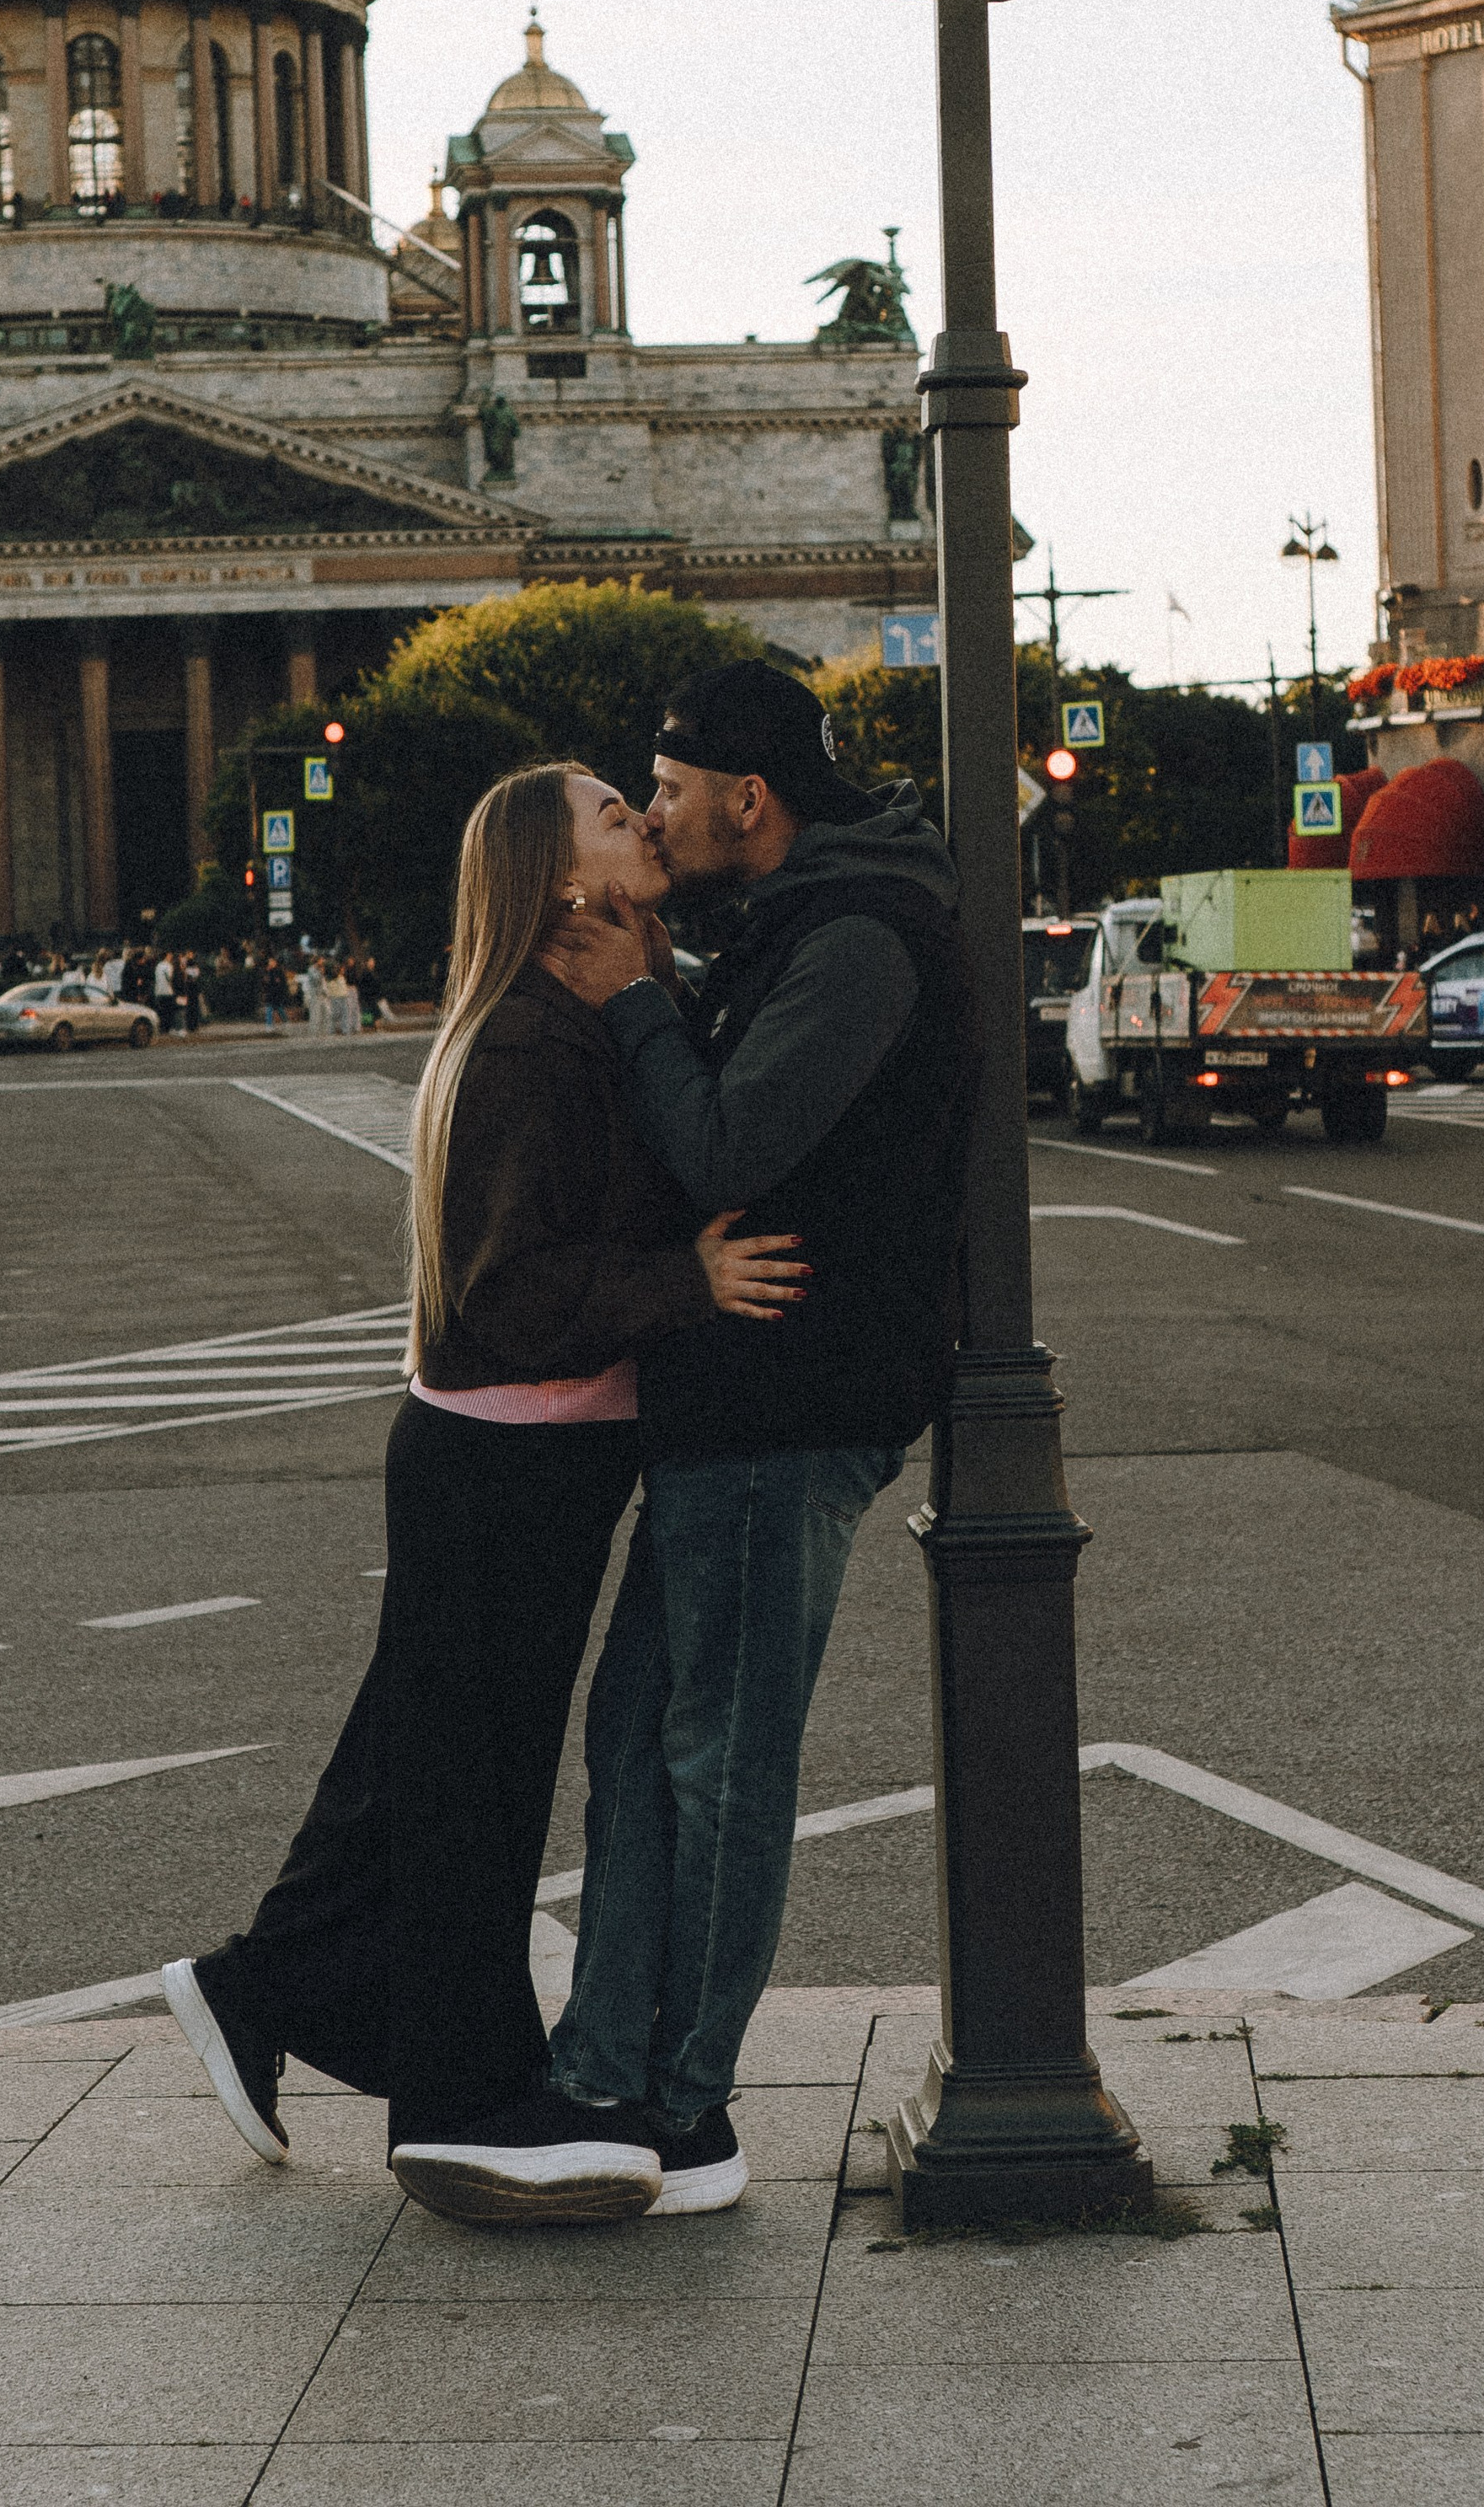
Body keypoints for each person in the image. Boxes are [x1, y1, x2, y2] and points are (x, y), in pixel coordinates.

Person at [163, 762, 805, 2225]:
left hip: (528, 1453)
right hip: (505, 1453)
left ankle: (260, 1989)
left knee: (420, 1762)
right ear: (559, 879)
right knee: (473, 1786)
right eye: (609, 814)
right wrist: (688, 1281)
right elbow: (512, 1291)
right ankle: (456, 2094)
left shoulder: (579, 1009)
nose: (642, 818)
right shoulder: (523, 1038)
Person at [535, 660, 978, 2217]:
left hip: (790, 1402)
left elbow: (729, 1142)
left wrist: (633, 1002)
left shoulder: (858, 936)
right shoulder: (800, 920)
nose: (653, 815)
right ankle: (601, 2070)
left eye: (667, 790)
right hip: (734, 1402)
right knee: (640, 1739)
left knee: (717, 1761)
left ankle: (685, 2108)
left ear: (749, 796)